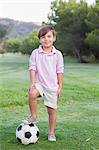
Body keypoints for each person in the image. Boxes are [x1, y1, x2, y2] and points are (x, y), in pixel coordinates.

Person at [22, 25, 64, 141]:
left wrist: (60, 87)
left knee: (51, 111)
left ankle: (51, 133)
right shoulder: (35, 53)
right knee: (32, 93)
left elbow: (60, 71)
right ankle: (33, 116)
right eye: (43, 37)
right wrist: (32, 83)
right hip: (39, 83)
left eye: (49, 36)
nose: (46, 39)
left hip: (52, 86)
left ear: (54, 38)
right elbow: (32, 68)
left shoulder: (58, 54)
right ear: (40, 39)